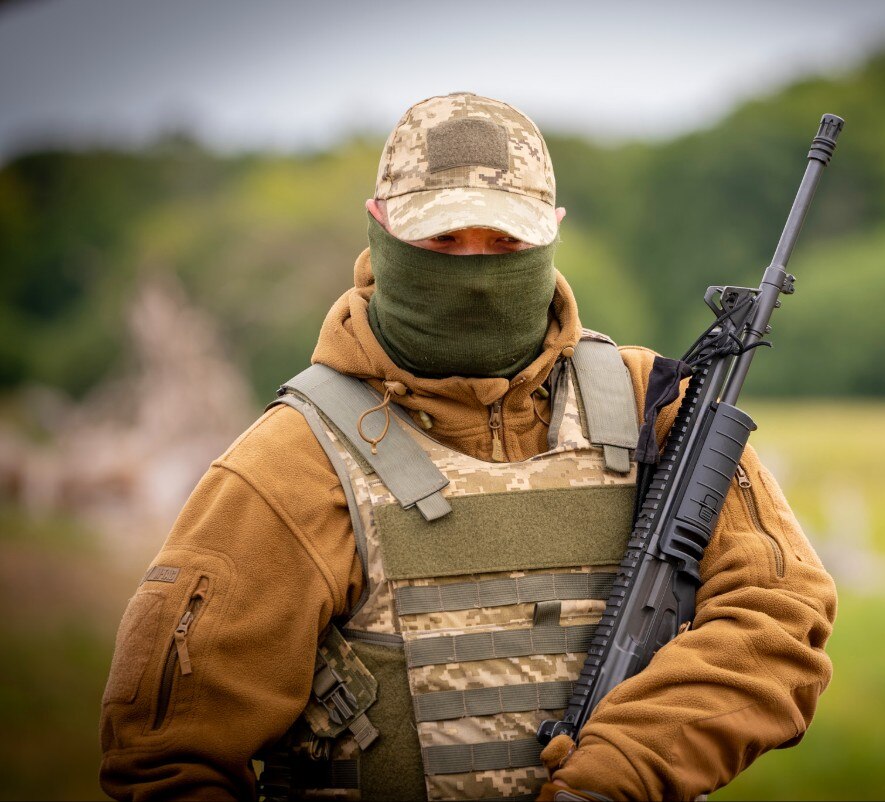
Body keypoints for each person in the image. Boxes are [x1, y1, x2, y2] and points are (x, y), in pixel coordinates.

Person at [99, 92, 837, 802]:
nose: (477, 269)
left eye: (507, 241)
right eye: (442, 240)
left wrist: (624, 768)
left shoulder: (657, 408)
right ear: (380, 227)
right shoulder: (293, 462)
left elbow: (778, 616)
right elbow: (168, 756)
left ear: (553, 227)